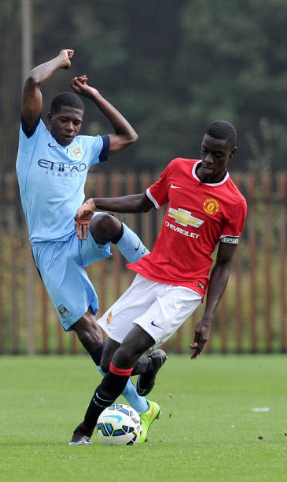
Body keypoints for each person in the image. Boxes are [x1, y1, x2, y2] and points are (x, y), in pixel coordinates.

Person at [70, 119, 248, 445]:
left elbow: (223, 265)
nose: (208, 159)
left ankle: (84, 430)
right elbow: (145, 201)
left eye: (217, 155)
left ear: (232, 155)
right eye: (205, 151)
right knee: (109, 361)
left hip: (185, 289)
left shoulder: (234, 203)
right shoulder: (178, 170)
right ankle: (150, 363)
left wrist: (207, 318)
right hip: (151, 276)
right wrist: (96, 203)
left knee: (122, 358)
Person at [16, 49, 161, 444]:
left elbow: (129, 136)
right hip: (48, 251)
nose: (69, 126)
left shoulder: (85, 147)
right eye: (63, 120)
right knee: (88, 334)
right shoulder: (33, 139)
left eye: (75, 122)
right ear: (49, 120)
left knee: (106, 221)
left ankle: (151, 269)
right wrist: (59, 62)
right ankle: (142, 402)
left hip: (77, 234)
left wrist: (95, 96)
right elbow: (31, 82)